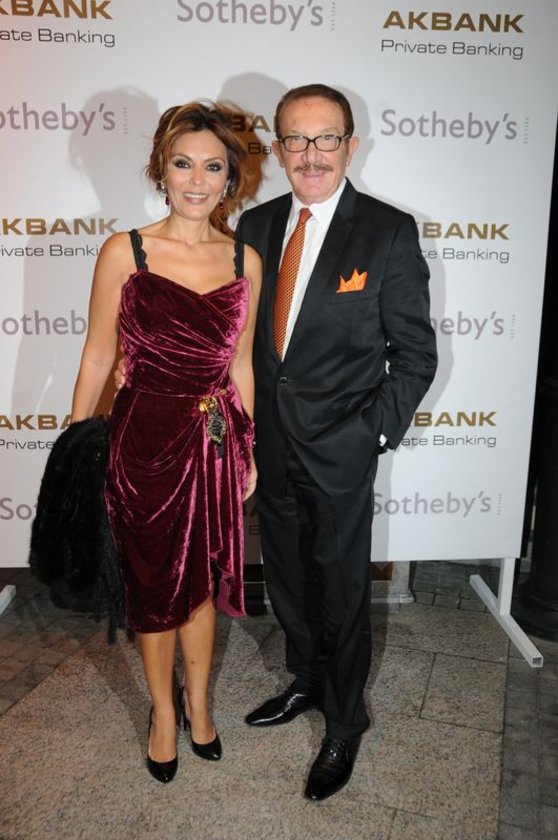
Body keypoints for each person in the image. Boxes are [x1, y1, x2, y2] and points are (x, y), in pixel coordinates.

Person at [235, 83, 437, 801]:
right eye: (297, 139)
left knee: (345, 590)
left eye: (326, 138)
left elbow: (415, 355)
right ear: (278, 148)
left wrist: (369, 434)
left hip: (342, 451)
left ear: (350, 145)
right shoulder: (254, 226)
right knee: (288, 579)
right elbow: (242, 344)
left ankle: (346, 721)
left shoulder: (387, 231)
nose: (311, 154)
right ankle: (307, 682)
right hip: (270, 448)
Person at [70, 101, 261, 784]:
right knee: (155, 584)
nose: (197, 181)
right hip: (142, 441)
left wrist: (248, 446)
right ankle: (160, 713)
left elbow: (241, 366)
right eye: (184, 164)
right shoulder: (125, 252)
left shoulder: (244, 258)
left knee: (200, 581)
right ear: (162, 169)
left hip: (212, 440)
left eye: (212, 167)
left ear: (231, 178)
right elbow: (98, 355)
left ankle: (199, 705)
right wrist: (78, 448)